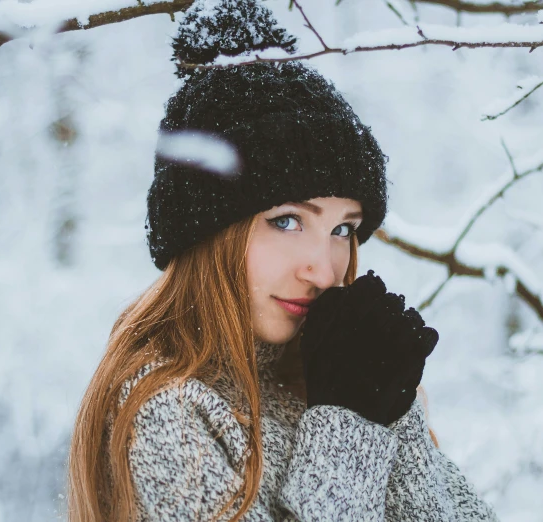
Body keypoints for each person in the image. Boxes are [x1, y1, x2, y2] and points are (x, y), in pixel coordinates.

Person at [66, 0, 500, 520]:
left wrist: (391, 405)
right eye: (288, 220)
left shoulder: (329, 374)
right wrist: (350, 431)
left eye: (343, 229)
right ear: (209, 232)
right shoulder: (172, 414)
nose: (323, 269)